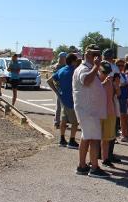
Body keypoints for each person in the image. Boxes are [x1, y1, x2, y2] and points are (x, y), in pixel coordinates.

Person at [72, 44, 109, 178]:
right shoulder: (83, 68)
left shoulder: (88, 68)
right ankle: (94, 167)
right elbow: (86, 81)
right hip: (88, 111)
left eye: (98, 54)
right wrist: (96, 66)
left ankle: (82, 165)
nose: (97, 57)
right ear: (87, 54)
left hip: (89, 110)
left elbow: (91, 85)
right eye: (94, 54)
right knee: (94, 139)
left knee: (86, 137)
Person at [47, 53, 79, 148]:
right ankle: (72, 141)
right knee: (74, 122)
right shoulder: (75, 71)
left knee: (64, 120)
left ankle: (62, 139)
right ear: (73, 61)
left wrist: (57, 92)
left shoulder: (61, 70)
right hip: (72, 99)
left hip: (63, 98)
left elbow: (49, 80)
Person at [98, 61, 121, 168]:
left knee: (107, 138)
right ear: (99, 71)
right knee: (94, 138)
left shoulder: (111, 81)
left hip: (110, 112)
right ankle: (92, 160)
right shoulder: (95, 80)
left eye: (108, 72)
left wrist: (116, 86)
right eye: (104, 72)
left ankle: (105, 159)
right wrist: (102, 83)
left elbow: (118, 94)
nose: (107, 74)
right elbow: (93, 92)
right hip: (97, 113)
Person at [51, 51, 68, 129]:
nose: (65, 59)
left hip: (64, 87)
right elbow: (55, 79)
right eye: (64, 57)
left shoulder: (65, 65)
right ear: (61, 58)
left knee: (64, 106)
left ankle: (64, 121)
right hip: (59, 87)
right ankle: (57, 122)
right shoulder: (57, 66)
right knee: (59, 106)